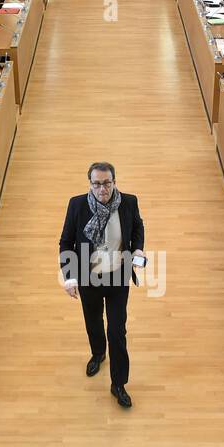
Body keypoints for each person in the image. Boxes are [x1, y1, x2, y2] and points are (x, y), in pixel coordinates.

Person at [58, 162, 145, 409]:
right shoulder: (77, 205)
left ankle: (119, 383)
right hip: (89, 278)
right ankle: (98, 353)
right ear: (90, 184)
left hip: (118, 278)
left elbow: (138, 226)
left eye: (107, 183)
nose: (102, 188)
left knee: (117, 330)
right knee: (94, 322)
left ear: (114, 182)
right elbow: (66, 242)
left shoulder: (129, 202)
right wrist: (71, 277)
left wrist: (138, 248)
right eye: (96, 183)